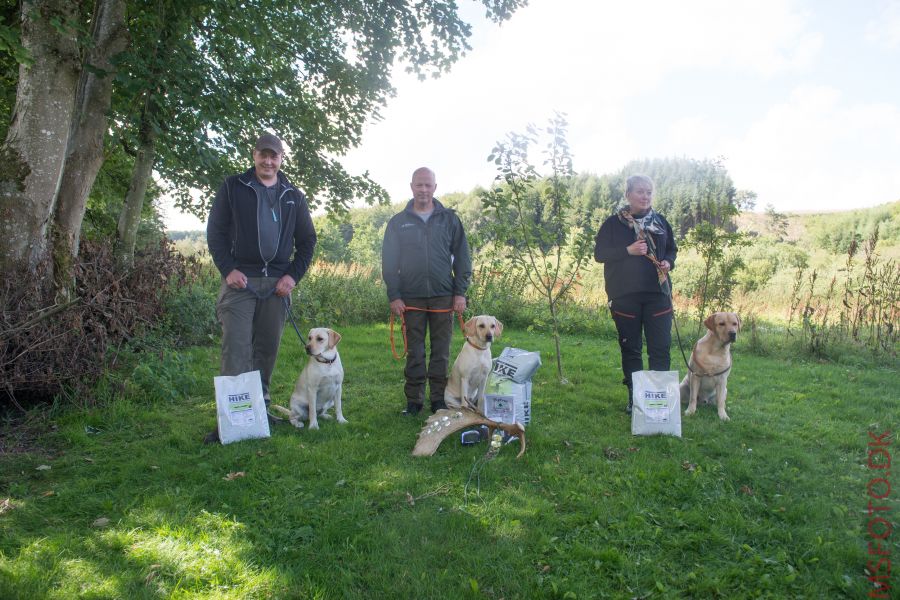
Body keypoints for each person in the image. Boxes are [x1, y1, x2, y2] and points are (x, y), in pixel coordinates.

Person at [205, 132, 317, 441]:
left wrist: (292, 276)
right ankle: (228, 422)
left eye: (274, 155)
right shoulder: (233, 187)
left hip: (277, 286)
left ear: (281, 159)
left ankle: (260, 412)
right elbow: (215, 232)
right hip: (240, 283)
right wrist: (228, 269)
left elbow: (307, 241)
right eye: (263, 155)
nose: (268, 161)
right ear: (254, 155)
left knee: (266, 351)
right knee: (236, 351)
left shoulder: (293, 195)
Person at [382, 167, 472, 415]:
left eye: (427, 185)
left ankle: (438, 400)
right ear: (411, 186)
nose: (423, 189)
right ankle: (414, 401)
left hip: (444, 296)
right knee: (415, 351)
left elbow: (463, 258)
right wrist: (395, 295)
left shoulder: (450, 219)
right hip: (410, 298)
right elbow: (389, 263)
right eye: (419, 185)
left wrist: (460, 293)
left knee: (441, 352)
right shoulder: (398, 223)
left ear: (435, 187)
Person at [594, 174, 677, 413]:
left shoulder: (660, 222)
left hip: (658, 295)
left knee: (660, 348)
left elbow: (672, 249)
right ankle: (636, 398)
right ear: (628, 194)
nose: (645, 196)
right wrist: (627, 250)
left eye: (649, 192)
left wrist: (668, 263)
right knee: (631, 349)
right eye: (640, 191)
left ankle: (659, 400)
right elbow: (600, 254)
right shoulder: (613, 224)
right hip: (624, 296)